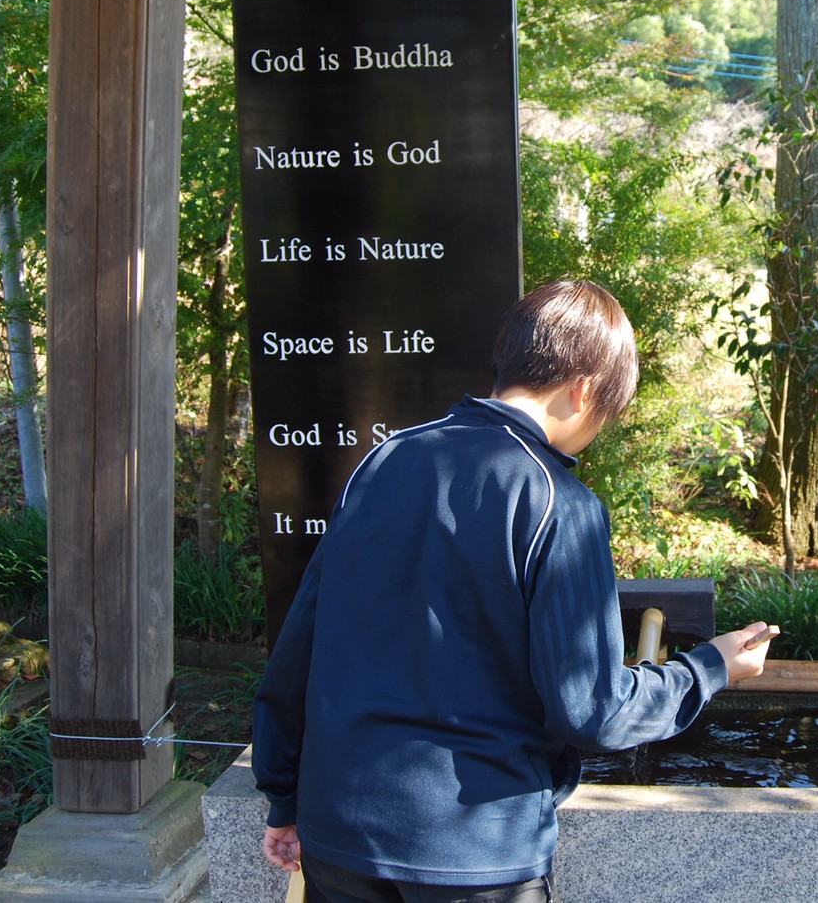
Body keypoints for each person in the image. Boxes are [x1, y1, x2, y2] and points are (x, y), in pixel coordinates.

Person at [252, 279, 774, 903]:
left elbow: (301, 645)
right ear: (584, 390)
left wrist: (284, 794)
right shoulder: (558, 502)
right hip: (475, 854)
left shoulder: (385, 461)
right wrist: (711, 668)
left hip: (340, 834)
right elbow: (594, 711)